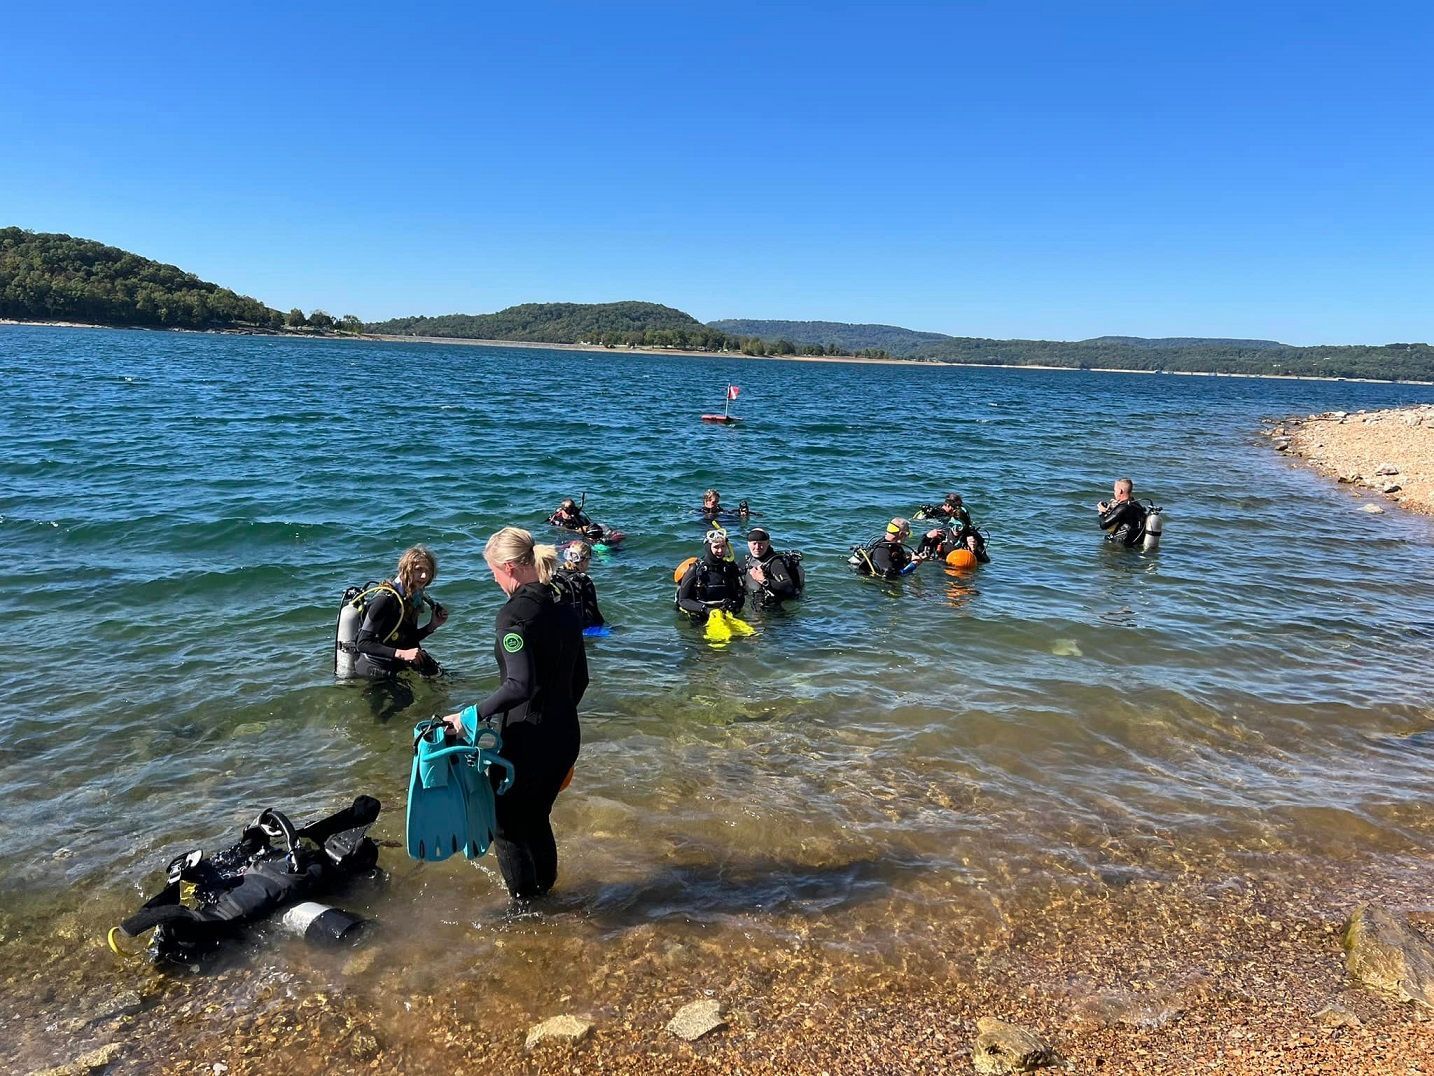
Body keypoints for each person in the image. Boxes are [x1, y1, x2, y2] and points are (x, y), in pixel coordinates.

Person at [442, 527, 587, 902]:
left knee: (506, 825)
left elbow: (518, 686)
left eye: (492, 571)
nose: (493, 579)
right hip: (565, 735)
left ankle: (526, 910)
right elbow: (581, 680)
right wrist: (555, 718)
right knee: (536, 817)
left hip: (528, 740)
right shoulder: (564, 607)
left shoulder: (514, 616)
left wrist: (466, 717)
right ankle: (547, 896)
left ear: (508, 567)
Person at [351, 545, 447, 679]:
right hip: (372, 663)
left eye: (428, 571)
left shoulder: (412, 598)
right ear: (405, 570)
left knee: (443, 679)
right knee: (404, 698)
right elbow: (362, 643)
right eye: (418, 570)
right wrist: (402, 654)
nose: (424, 576)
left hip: (393, 659)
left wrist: (432, 626)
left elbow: (407, 639)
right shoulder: (384, 600)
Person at [676, 529, 745, 620]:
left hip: (724, 613)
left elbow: (740, 595)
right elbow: (683, 600)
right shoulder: (696, 568)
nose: (720, 550)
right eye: (716, 547)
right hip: (700, 614)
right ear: (708, 547)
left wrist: (734, 605)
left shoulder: (730, 567)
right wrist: (705, 609)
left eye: (723, 546)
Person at [742, 527, 805, 608]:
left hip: (773, 610)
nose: (757, 547)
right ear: (748, 543)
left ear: (768, 543)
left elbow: (788, 586)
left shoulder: (775, 563)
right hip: (753, 603)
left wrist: (763, 580)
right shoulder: (748, 560)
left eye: (761, 543)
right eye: (754, 543)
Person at [552, 541, 605, 629]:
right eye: (588, 560)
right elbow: (594, 612)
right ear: (583, 560)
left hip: (557, 625)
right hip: (578, 627)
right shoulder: (584, 580)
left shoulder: (555, 576)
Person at [852, 518, 917, 579]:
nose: (908, 537)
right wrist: (913, 565)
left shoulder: (895, 547)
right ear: (901, 534)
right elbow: (889, 575)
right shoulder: (882, 550)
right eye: (908, 534)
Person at [1096, 477, 1149, 547]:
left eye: (1115, 490)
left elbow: (1103, 525)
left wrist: (1101, 512)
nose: (1114, 493)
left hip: (1121, 545)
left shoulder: (1123, 507)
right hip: (1135, 543)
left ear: (1120, 491)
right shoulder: (1137, 505)